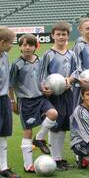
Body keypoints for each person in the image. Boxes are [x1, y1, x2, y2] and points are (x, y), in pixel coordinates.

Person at [10, 34, 58, 173]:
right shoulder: (17, 64)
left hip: (41, 98)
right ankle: (28, 165)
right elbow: (10, 85)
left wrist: (45, 87)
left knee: (53, 114)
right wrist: (12, 101)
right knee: (28, 131)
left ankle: (39, 139)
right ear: (20, 47)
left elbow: (42, 77)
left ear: (35, 46)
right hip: (26, 102)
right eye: (24, 45)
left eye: (30, 45)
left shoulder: (40, 60)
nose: (27, 48)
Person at [39, 21, 77, 170]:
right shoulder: (48, 54)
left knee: (63, 126)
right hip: (54, 94)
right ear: (53, 35)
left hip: (67, 93)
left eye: (64, 34)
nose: (61, 37)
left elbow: (76, 71)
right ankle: (55, 158)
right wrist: (45, 88)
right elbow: (42, 75)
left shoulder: (72, 54)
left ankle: (59, 157)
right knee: (56, 125)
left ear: (68, 36)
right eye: (58, 34)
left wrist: (70, 79)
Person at [0, 26, 20, 178]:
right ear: (2, 42)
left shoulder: (5, 56)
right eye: (11, 42)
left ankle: (3, 167)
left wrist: (11, 99)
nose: (13, 45)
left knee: (3, 134)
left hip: (4, 99)